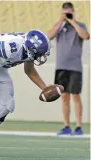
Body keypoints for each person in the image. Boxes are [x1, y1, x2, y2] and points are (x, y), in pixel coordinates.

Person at [47, 2, 89, 135]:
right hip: (61, 67)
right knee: (64, 97)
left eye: (69, 12)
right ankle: (66, 126)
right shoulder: (59, 26)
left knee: (76, 96)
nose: (67, 14)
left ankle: (78, 126)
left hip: (75, 67)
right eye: (65, 12)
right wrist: (61, 21)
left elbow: (86, 36)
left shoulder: (80, 25)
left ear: (73, 11)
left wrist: (73, 21)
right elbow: (49, 36)